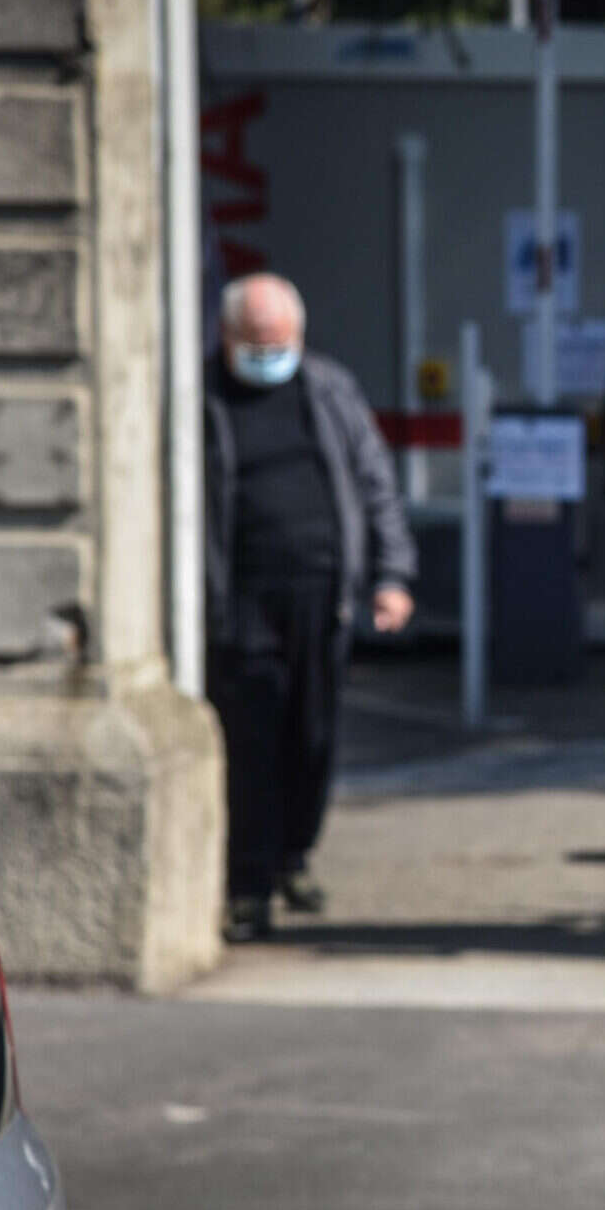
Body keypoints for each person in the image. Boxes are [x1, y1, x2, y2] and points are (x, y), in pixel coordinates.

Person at [202, 273, 415, 940]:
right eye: (256, 341)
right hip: (243, 597)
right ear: (227, 336)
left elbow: (374, 481)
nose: (268, 353)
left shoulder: (327, 389)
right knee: (254, 741)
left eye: (279, 341)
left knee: (312, 736)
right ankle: (250, 885)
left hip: (322, 593)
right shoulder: (203, 397)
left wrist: (392, 575)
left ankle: (295, 852)